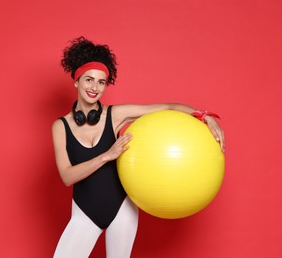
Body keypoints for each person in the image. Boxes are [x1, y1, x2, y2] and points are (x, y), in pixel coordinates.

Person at [52, 37, 225, 258]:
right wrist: (108, 155)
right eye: (89, 80)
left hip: (122, 209)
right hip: (86, 211)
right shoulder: (61, 126)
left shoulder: (115, 115)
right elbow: (67, 176)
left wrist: (205, 116)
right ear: (76, 81)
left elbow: (169, 107)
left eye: (101, 82)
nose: (94, 88)